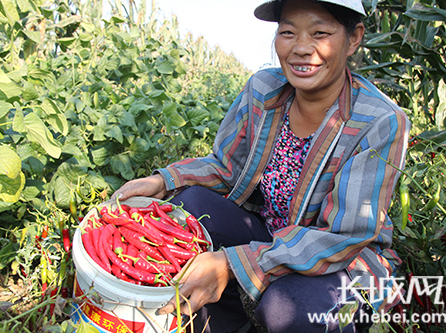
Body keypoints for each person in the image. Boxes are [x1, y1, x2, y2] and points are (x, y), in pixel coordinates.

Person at [112, 0, 410, 331]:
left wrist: (233, 263)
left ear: (353, 38)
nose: (301, 48)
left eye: (320, 33)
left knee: (286, 309)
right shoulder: (264, 90)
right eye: (288, 32)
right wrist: (164, 181)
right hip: (270, 234)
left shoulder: (379, 121)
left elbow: (344, 237)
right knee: (191, 208)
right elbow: (226, 168)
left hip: (342, 262)